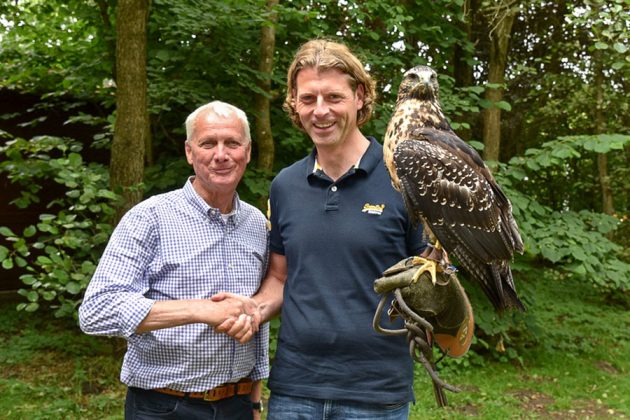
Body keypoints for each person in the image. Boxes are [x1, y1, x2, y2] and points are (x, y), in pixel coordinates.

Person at [217, 39, 426, 419]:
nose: (320, 111)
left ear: (360, 96)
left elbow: (432, 270)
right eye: (308, 98)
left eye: (333, 97)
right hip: (296, 388)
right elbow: (280, 277)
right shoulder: (285, 185)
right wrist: (253, 308)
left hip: (376, 392)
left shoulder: (403, 177)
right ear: (294, 103)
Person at [79, 101, 269, 420]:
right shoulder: (149, 218)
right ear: (189, 152)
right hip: (164, 407)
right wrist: (200, 310)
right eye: (208, 143)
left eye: (232, 143)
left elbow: (254, 321)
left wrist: (253, 399)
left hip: (236, 404)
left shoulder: (257, 225)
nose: (220, 154)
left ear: (247, 152)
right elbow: (96, 311)